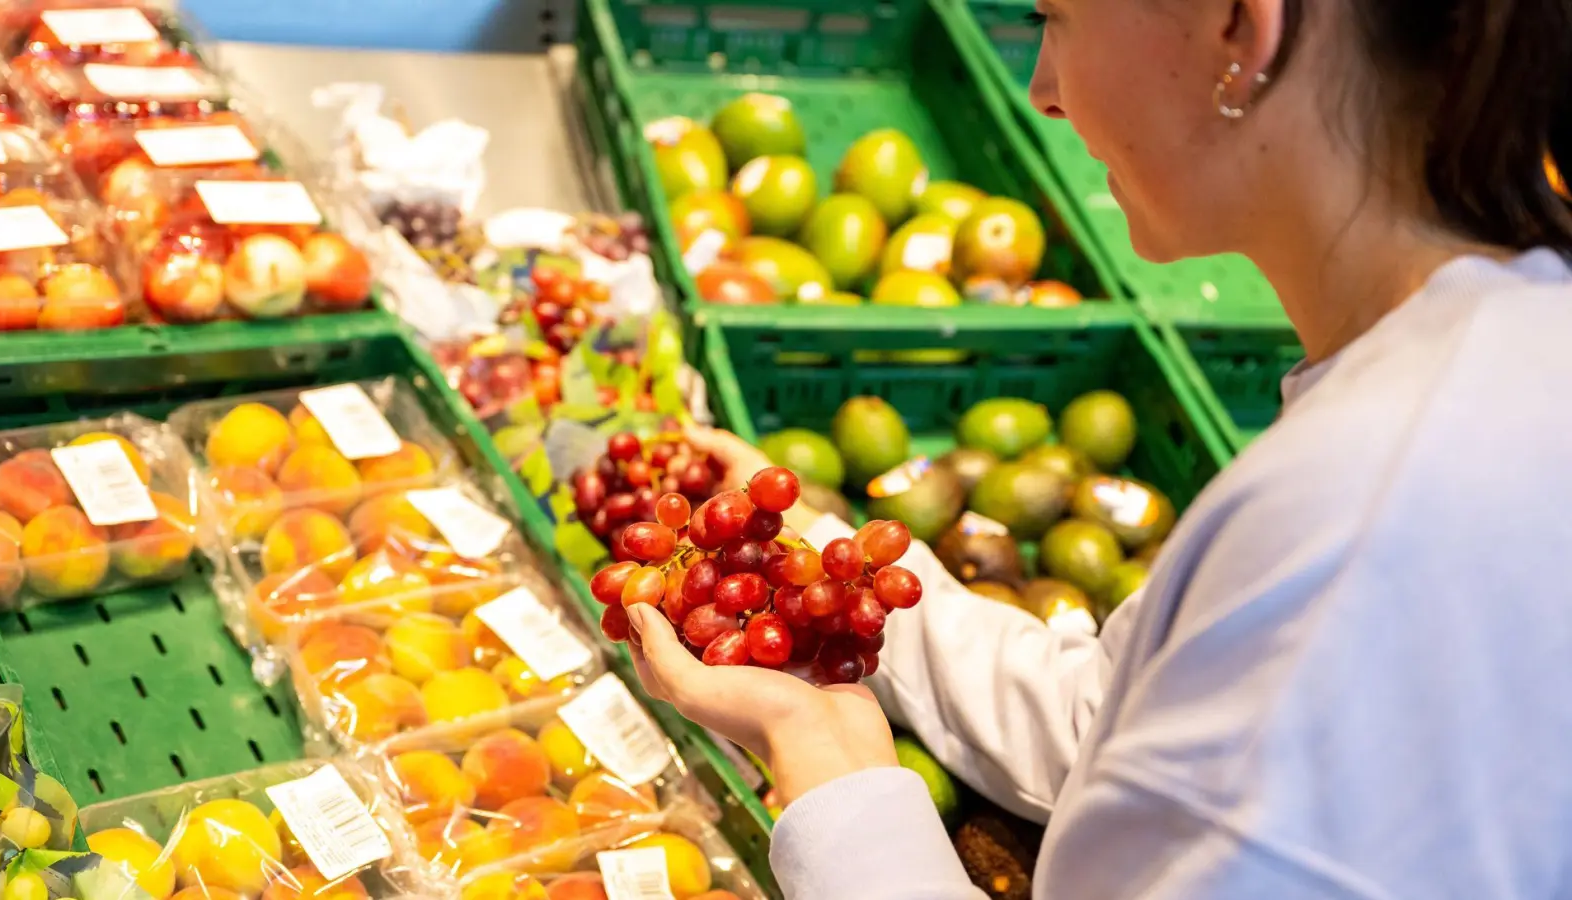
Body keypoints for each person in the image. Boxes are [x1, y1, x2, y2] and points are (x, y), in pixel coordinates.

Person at [626, 0, 1572, 895]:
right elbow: (1122, 719)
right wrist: (833, 576)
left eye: (1057, 18)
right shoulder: (1475, 370)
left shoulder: (1365, 523)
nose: (1044, 86)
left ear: (1242, 26)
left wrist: (829, 772)